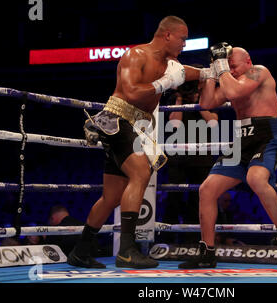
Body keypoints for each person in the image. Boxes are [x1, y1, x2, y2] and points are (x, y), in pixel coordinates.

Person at [68, 16, 203, 269]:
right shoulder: (136, 55)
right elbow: (131, 92)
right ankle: (128, 250)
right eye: (182, 38)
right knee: (141, 172)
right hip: (118, 118)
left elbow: (187, 73)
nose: (185, 44)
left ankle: (81, 250)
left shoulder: (171, 62)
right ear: (167, 35)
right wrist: (164, 83)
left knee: (111, 196)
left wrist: (210, 71)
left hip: (139, 126)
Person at [178, 44, 277, 269]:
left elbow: (234, 92)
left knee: (256, 179)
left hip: (267, 133)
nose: (230, 70)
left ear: (248, 62)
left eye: (233, 65)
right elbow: (206, 103)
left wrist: (221, 67)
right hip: (241, 137)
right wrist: (210, 73)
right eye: (227, 65)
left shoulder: (259, 71)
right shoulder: (229, 79)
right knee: (207, 190)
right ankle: (207, 252)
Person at [162, 73, 218, 244]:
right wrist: (179, 98)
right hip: (178, 156)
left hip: (202, 157)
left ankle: (194, 241)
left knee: (198, 199)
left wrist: (199, 102)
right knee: (173, 198)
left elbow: (213, 123)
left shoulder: (209, 98)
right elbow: (174, 125)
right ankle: (167, 240)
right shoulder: (175, 99)